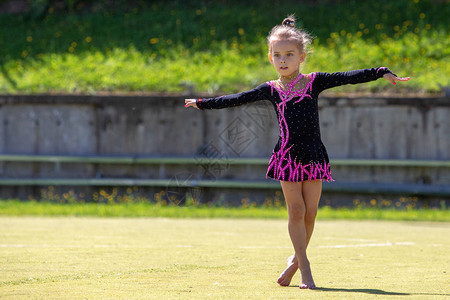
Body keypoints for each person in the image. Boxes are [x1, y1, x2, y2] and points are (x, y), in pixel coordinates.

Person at [184, 15, 410, 289]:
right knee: (296, 210)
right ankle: (305, 267)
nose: (283, 60)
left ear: (301, 57)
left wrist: (379, 71)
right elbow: (237, 98)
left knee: (311, 213)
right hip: (288, 157)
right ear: (270, 58)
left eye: (289, 54)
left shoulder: (314, 82)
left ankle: (293, 261)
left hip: (314, 155)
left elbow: (347, 77)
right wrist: (201, 103)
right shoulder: (271, 89)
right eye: (277, 55)